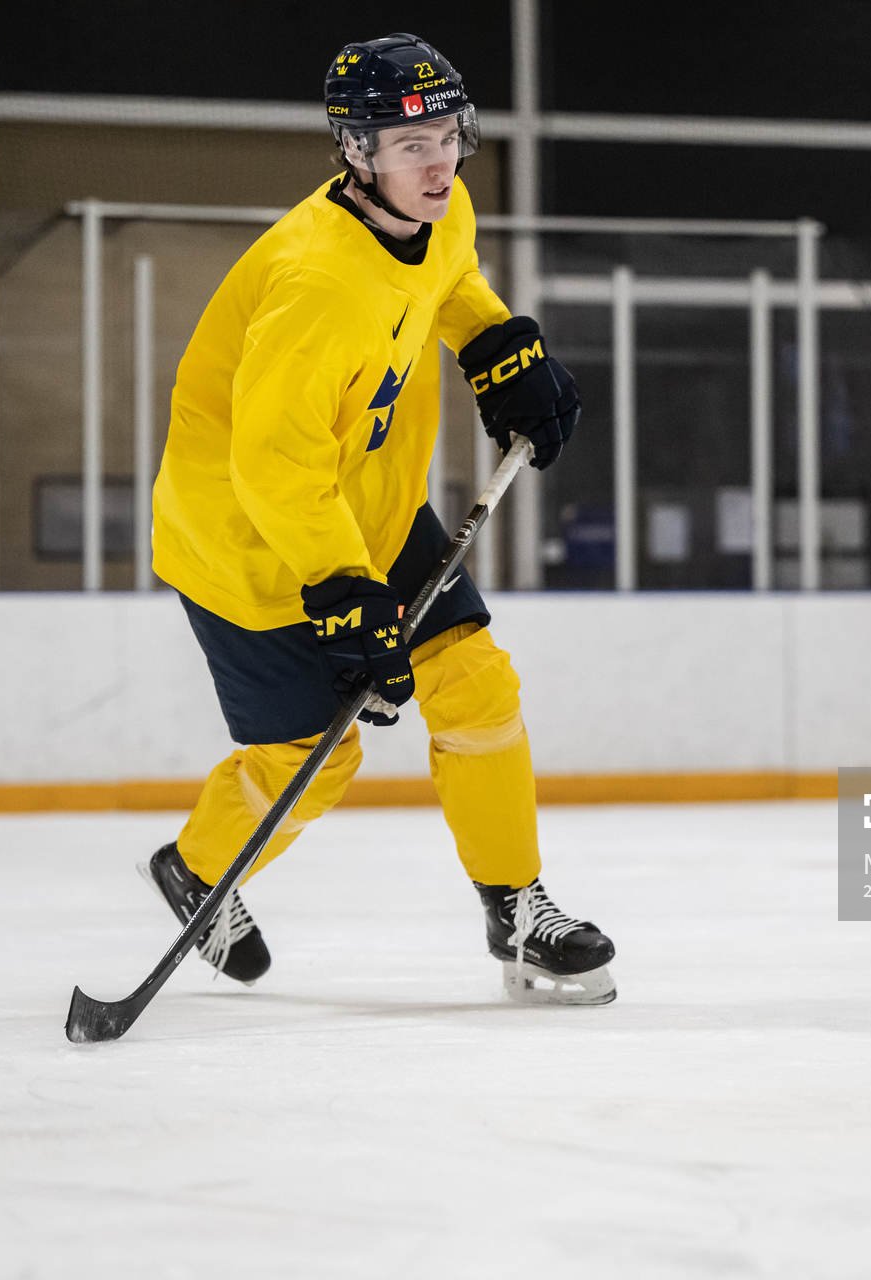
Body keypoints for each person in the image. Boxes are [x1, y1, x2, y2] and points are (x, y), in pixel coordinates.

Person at [144, 33, 615, 1005]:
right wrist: (342, 587)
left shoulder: (439, 212)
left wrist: (497, 345)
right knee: (316, 758)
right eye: (412, 145)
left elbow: (447, 283)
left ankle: (517, 905)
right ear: (357, 153)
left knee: (475, 683)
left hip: (368, 507)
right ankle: (198, 863)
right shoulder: (315, 283)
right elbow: (270, 465)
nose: (439, 161)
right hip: (251, 545)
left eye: (449, 133)